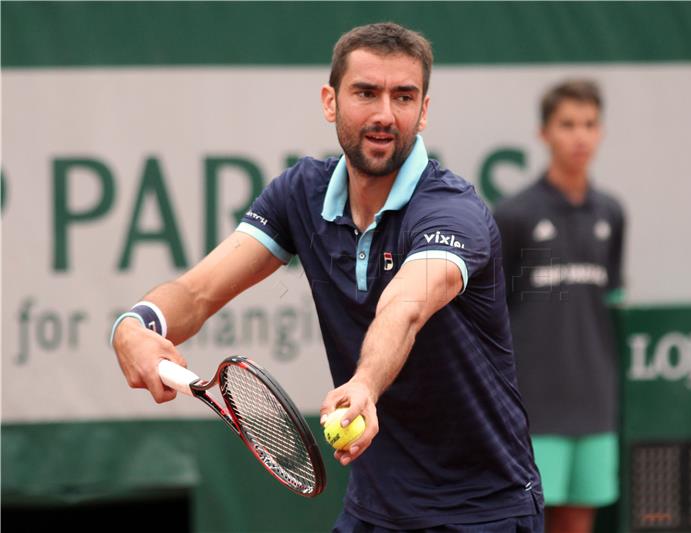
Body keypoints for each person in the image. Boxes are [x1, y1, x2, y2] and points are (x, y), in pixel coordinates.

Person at [111, 22, 544, 532]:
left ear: (423, 111)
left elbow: (404, 307)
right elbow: (198, 291)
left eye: (404, 96)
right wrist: (137, 325)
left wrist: (364, 383)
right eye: (366, 93)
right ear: (330, 101)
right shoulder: (301, 195)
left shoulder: (452, 213)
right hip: (373, 509)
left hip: (482, 511)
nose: (385, 114)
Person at [494, 80, 625, 533]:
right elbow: (493, 316)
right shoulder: (514, 216)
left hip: (594, 404)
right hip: (533, 407)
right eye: (567, 124)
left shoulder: (612, 213)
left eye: (589, 124)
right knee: (529, 520)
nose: (580, 136)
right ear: (543, 133)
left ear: (601, 132)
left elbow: (609, 305)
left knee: (578, 521)